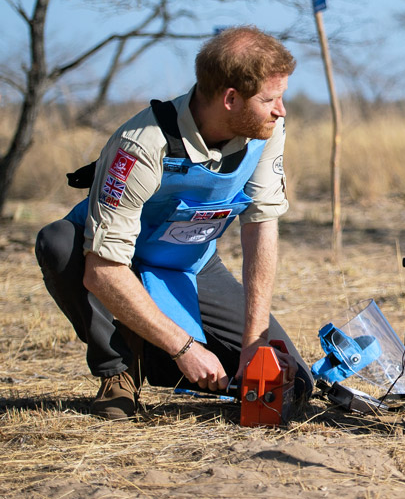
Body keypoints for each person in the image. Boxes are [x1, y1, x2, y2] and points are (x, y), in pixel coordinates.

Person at [35, 25, 313, 420]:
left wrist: (255, 341)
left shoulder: (266, 130)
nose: (281, 110)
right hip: (117, 261)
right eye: (270, 99)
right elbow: (103, 271)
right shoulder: (142, 144)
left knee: (293, 385)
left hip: (190, 262)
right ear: (230, 98)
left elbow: (261, 223)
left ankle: (154, 354)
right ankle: (120, 369)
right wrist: (184, 347)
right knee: (58, 241)